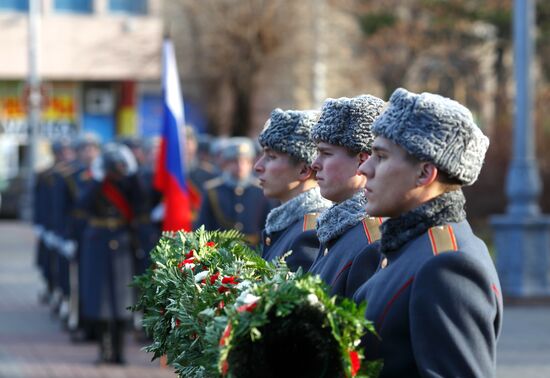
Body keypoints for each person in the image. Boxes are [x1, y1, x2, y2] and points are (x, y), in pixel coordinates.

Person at [354, 88, 503, 377]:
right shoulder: (409, 246)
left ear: (424, 174)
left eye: (381, 156)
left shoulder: (447, 264)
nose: (365, 168)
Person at [308, 94, 385, 298]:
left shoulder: (372, 241)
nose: (315, 164)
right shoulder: (340, 226)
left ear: (362, 160)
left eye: (326, 153)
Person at [77, 142, 143, 364]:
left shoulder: (128, 183)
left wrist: (131, 173)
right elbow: (82, 205)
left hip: (123, 242)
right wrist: (98, 178)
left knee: (122, 301)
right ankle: (104, 352)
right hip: (98, 243)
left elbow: (140, 203)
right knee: (101, 301)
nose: (115, 170)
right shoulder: (92, 181)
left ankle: (119, 352)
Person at [254, 108, 331, 272]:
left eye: (271, 157)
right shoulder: (291, 224)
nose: (258, 166)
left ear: (304, 170)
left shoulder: (309, 233)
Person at [195, 137, 275, 247]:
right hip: (220, 251)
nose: (240, 166)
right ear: (226, 163)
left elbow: (267, 227)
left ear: (251, 163)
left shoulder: (261, 190)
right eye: (235, 161)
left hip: (253, 252)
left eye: (245, 161)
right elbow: (203, 227)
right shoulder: (213, 190)